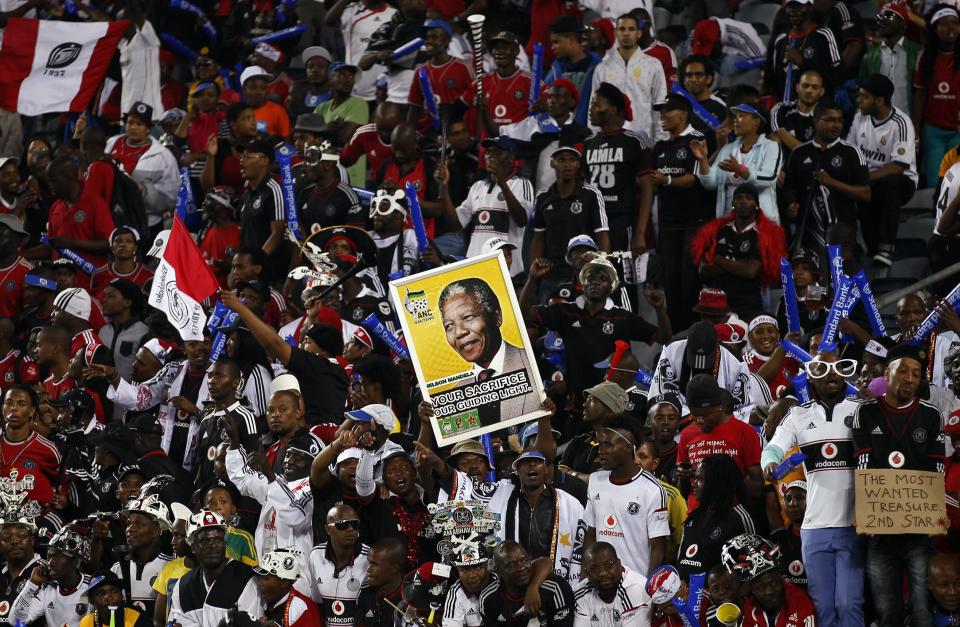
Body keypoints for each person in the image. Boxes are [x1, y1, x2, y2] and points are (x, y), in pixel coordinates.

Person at [762, 350, 862, 627]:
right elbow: (772, 448)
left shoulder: (861, 411)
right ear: (811, 378)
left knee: (849, 603)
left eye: (836, 367)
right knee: (823, 607)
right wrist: (769, 464)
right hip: (814, 527)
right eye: (822, 369)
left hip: (853, 525)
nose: (831, 373)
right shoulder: (797, 416)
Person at [853, 343, 945, 627]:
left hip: (919, 532)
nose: (910, 379)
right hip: (880, 532)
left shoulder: (930, 415)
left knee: (921, 612)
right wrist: (862, 509)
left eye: (917, 374)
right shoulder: (865, 413)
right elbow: (863, 467)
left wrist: (937, 512)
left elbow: (936, 470)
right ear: (886, 372)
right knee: (888, 613)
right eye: (903, 371)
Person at [524, 254, 671, 400]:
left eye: (602, 279)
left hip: (611, 405)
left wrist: (660, 310)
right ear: (583, 283)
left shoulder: (623, 317)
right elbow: (524, 314)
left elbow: (664, 337)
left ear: (611, 287)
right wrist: (532, 279)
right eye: (590, 277)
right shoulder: (565, 312)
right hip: (574, 404)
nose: (595, 282)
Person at [438, 277, 539, 420]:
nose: (459, 332)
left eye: (468, 317)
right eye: (449, 325)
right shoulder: (457, 395)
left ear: (497, 317)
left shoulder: (533, 365)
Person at [583, 416, 669, 577]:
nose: (601, 450)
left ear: (628, 448)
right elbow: (590, 533)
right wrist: (585, 577)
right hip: (601, 580)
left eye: (608, 445)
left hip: (636, 582)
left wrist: (648, 588)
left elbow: (658, 546)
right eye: (600, 444)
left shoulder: (652, 489)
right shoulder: (596, 480)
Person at [847, 73, 918, 266]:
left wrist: (864, 178)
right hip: (869, 180)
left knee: (889, 183)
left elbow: (897, 167)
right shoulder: (859, 118)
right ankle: (861, 249)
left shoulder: (901, 123)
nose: (859, 100)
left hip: (901, 182)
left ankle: (887, 247)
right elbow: (849, 152)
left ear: (879, 100)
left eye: (864, 96)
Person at [650, 93, 709, 330]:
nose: (662, 116)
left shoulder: (697, 138)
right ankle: (676, 336)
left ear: (683, 113)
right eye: (660, 112)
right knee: (671, 283)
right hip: (667, 223)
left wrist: (666, 180)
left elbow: (694, 178)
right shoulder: (661, 147)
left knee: (689, 282)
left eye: (667, 111)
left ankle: (693, 332)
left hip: (693, 221)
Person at [782, 100, 871, 253]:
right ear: (816, 121)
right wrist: (791, 203)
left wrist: (832, 182)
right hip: (807, 232)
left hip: (842, 233)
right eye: (830, 120)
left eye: (839, 120)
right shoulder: (799, 153)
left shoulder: (851, 152)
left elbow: (866, 194)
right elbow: (790, 187)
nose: (836, 125)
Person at [439, 136, 533, 277]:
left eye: (497, 152)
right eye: (488, 152)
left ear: (510, 157)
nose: (490, 156)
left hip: (507, 269)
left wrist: (502, 183)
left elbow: (522, 220)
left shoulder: (521, 184)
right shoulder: (477, 187)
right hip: (475, 266)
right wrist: (444, 186)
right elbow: (455, 224)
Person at [691, 184, 787, 321]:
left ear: (756, 204)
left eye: (748, 198)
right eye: (739, 198)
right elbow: (704, 271)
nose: (743, 201)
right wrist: (739, 264)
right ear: (733, 203)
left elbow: (750, 272)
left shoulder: (762, 235)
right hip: (717, 306)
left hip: (748, 306)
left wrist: (719, 260)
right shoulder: (717, 231)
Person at [528, 143, 610, 300]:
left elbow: (602, 235)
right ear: (552, 163)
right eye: (561, 159)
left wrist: (601, 267)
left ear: (579, 164)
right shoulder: (542, 197)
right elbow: (538, 238)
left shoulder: (592, 194)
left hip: (584, 274)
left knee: (584, 322)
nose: (567, 164)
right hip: (551, 274)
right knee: (547, 322)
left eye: (572, 160)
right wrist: (534, 274)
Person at [585, 81, 653, 255]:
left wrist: (639, 233)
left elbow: (647, 188)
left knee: (619, 278)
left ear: (614, 109)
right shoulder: (588, 144)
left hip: (621, 223)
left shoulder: (633, 141)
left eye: (597, 104)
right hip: (592, 222)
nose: (591, 109)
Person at [676, 374, 763, 510]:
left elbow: (759, 488)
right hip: (696, 516)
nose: (699, 420)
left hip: (733, 514)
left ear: (720, 407)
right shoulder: (686, 434)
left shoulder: (745, 432)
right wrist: (684, 477)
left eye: (705, 415)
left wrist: (723, 480)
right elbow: (683, 493)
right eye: (694, 415)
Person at [692, 104, 783, 224]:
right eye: (735, 116)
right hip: (729, 222)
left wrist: (740, 169)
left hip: (762, 223)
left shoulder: (771, 147)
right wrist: (703, 160)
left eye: (741, 116)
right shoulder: (727, 149)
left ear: (756, 121)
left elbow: (769, 178)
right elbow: (710, 183)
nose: (735, 120)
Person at [168, 510, 262, 626]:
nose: (213, 545)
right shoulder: (183, 585)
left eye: (218, 539)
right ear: (193, 547)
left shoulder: (247, 579)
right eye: (205, 540)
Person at [589, 13, 667, 143]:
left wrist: (661, 142)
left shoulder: (653, 65)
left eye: (631, 29)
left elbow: (660, 107)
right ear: (615, 33)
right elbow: (594, 107)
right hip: (610, 142)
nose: (626, 33)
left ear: (639, 33)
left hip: (644, 141)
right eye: (622, 29)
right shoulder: (602, 68)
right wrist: (594, 140)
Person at [676, 454, 756, 580]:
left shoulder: (739, 517)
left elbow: (753, 567)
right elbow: (681, 560)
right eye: (694, 478)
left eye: (700, 479)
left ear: (716, 481)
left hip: (721, 597)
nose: (694, 483)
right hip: (686, 596)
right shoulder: (694, 517)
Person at [105, 102, 179, 234]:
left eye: (139, 124)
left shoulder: (163, 155)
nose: (133, 127)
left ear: (148, 128)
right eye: (130, 122)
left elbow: (171, 196)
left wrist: (144, 191)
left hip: (146, 223)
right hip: (112, 218)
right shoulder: (111, 143)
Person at [721, 534, 818, 627]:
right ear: (751, 590)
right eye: (761, 588)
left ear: (781, 578)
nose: (770, 591)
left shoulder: (800, 602)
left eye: (774, 583)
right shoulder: (749, 607)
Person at [478, 541, 576, 626]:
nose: (521, 567)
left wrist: (533, 587)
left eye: (524, 560)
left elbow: (545, 561)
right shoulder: (488, 598)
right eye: (511, 565)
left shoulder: (554, 589)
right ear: (498, 571)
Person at [12, 526, 91, 627]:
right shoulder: (47, 589)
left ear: (75, 562)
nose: (50, 563)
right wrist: (31, 584)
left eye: (57, 557)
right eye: (49, 556)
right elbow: (15, 621)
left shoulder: (92, 586)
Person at [307, 503, 370, 624]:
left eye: (355, 524)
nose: (351, 529)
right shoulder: (316, 555)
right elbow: (316, 602)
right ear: (328, 529)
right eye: (343, 525)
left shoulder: (369, 558)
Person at [766, 0, 841, 100]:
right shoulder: (780, 40)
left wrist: (802, 63)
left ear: (810, 7)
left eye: (799, 6)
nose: (793, 11)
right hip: (786, 109)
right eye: (790, 6)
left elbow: (837, 75)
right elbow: (774, 79)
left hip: (817, 109)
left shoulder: (824, 35)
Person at [859, 3, 920, 115]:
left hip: (907, 120)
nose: (882, 21)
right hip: (877, 121)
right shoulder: (870, 57)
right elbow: (863, 91)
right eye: (880, 17)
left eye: (889, 16)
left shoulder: (917, 53)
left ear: (903, 24)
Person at [573, 542, 651, 625]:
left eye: (608, 565)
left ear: (619, 564)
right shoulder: (581, 592)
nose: (603, 573)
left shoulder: (637, 589)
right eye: (594, 569)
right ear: (587, 573)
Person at [545, 15, 601, 126]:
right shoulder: (554, 71)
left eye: (556, 42)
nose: (552, 47)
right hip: (560, 135)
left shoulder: (598, 67)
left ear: (571, 40)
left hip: (590, 134)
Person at [254, 546, 323, 626]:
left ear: (284, 582)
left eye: (265, 578)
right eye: (260, 577)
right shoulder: (271, 602)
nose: (259, 583)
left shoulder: (301, 608)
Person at [353, 537, 409, 626]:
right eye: (369, 563)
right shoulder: (365, 593)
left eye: (375, 564)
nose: (368, 569)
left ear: (394, 568)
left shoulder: (412, 599)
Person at [771, 70, 826, 153]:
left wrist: (783, 135)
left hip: (813, 164)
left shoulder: (826, 116)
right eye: (805, 86)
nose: (809, 91)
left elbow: (819, 151)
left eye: (814, 87)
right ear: (797, 88)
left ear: (821, 92)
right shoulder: (780, 109)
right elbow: (776, 132)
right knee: (774, 139)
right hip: (784, 162)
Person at [770, 480, 808, 589]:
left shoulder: (826, 537)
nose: (793, 503)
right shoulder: (777, 539)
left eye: (800, 498)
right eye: (788, 499)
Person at [929, 553, 960, 625]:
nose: (953, 592)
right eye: (944, 585)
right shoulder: (918, 615)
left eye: (959, 583)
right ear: (930, 584)